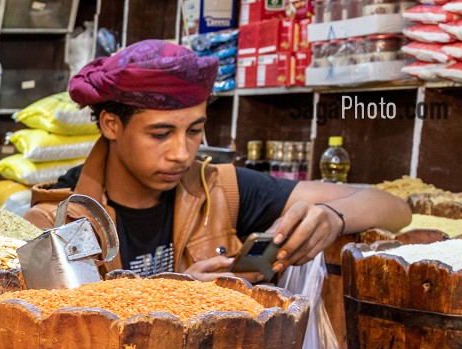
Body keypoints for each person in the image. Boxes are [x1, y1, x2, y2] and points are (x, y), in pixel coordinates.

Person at [24, 40, 411, 280]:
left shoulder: (220, 188)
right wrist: (179, 297)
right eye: (160, 134)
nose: (182, 153)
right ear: (110, 124)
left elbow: (394, 208)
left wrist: (331, 217)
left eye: (194, 131)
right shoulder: (60, 218)